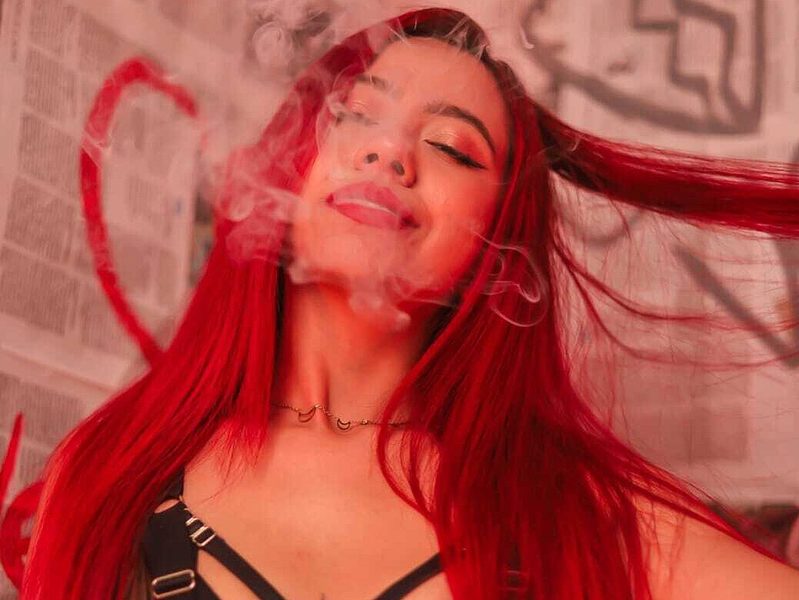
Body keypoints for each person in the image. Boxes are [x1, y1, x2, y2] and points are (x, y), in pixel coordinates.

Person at [20, 7, 799, 600]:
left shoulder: (570, 508)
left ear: (494, 244)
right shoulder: (110, 468)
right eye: (355, 114)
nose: (389, 150)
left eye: (452, 149)